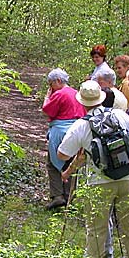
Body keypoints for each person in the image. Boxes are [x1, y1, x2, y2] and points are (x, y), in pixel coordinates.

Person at [58, 80, 129, 258]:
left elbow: (62, 154)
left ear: (82, 102)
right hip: (127, 179)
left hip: (98, 183)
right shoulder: (119, 115)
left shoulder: (82, 125)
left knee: (97, 229)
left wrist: (81, 152)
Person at [41, 68, 85, 210]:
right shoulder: (77, 93)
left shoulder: (59, 94)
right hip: (76, 132)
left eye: (51, 83)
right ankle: (69, 196)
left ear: (58, 81)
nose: (50, 87)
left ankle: (57, 196)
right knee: (71, 163)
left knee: (53, 163)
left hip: (60, 131)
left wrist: (47, 98)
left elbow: (48, 110)